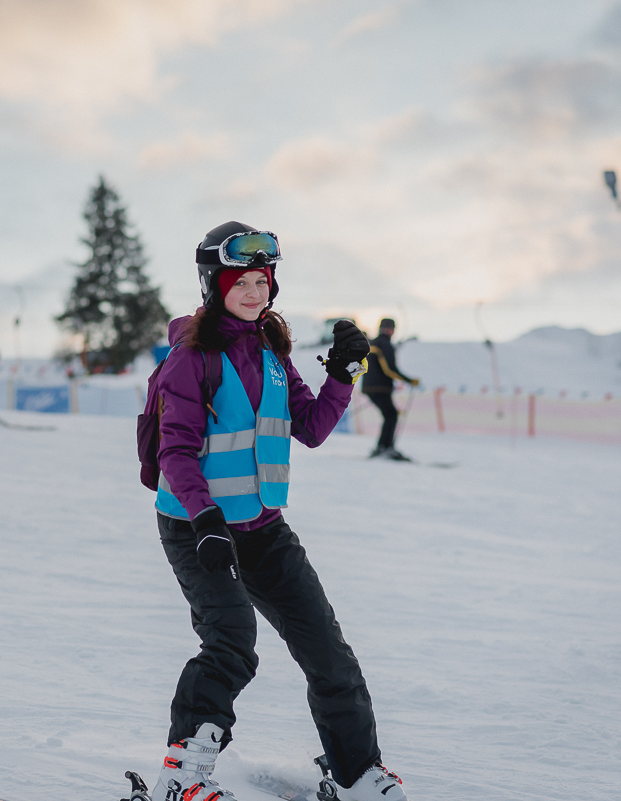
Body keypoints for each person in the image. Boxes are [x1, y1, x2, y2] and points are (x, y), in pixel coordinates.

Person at [147, 222, 408, 801]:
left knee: (327, 649)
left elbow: (310, 428)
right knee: (231, 640)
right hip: (198, 526)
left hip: (264, 527)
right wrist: (205, 519)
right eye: (240, 281)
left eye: (262, 281)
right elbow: (175, 450)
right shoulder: (191, 358)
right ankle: (183, 775)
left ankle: (358, 773)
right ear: (215, 285)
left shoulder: (269, 350)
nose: (253, 291)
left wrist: (343, 374)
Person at [361, 318, 420, 460]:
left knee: (389, 415)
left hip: (368, 386)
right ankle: (385, 447)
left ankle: (383, 446)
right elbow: (390, 369)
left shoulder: (372, 343)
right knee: (391, 415)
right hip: (381, 387)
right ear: (391, 330)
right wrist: (409, 380)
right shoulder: (385, 344)